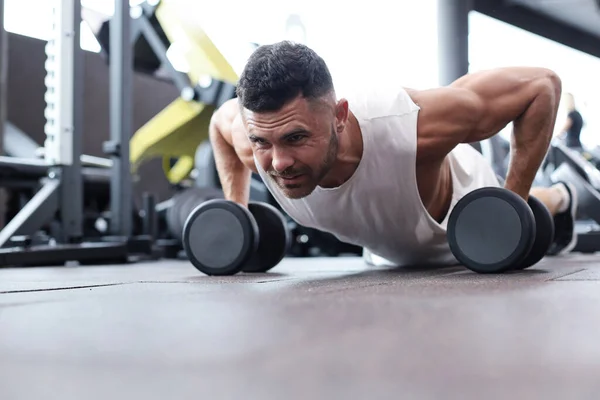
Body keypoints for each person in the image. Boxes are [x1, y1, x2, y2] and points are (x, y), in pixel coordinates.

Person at [209, 41, 578, 268]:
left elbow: (541, 85)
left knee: (535, 200)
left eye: (296, 137)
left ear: (339, 117)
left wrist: (509, 208)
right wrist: (237, 216)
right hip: (390, 248)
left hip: (467, 217)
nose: (279, 163)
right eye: (263, 142)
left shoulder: (407, 125)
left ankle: (563, 193)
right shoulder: (254, 139)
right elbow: (219, 124)